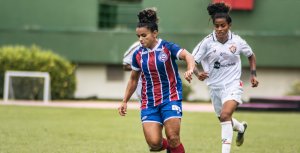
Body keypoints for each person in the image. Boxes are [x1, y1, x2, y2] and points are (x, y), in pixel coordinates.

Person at [118, 8, 195, 153]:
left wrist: (190, 69)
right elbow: (133, 80)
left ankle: (174, 146)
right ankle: (172, 148)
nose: (140, 39)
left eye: (144, 35)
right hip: (149, 102)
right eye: (138, 36)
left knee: (173, 137)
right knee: (154, 144)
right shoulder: (138, 54)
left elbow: (188, 56)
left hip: (170, 97)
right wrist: (124, 101)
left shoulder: (167, 47)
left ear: (154, 33)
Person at [192, 2, 259, 153]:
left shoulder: (238, 41)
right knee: (223, 118)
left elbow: (251, 55)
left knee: (225, 115)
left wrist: (253, 75)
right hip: (214, 87)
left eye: (223, 25)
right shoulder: (207, 42)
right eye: (217, 26)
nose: (220, 29)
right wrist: (196, 73)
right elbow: (192, 61)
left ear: (229, 25)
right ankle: (241, 128)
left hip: (233, 84)